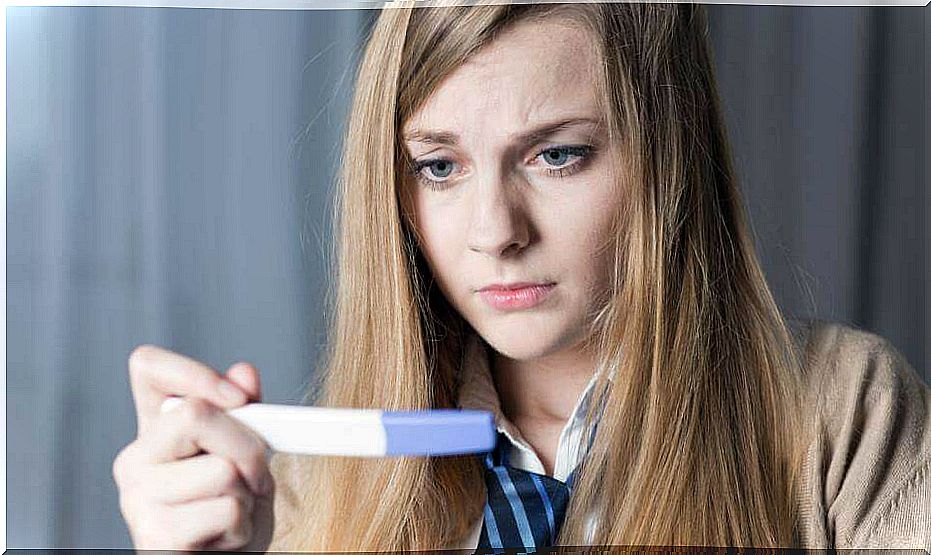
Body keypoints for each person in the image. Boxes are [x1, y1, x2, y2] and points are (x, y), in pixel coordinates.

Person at [112, 1, 931, 552]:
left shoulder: (843, 413)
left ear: (665, 157)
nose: (494, 232)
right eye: (438, 166)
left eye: (556, 155)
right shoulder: (295, 490)